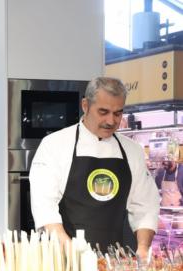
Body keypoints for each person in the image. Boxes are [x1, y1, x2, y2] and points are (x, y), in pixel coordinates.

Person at [29, 76, 160, 259]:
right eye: (103, 112)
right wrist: (71, 253)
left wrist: (143, 248)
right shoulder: (54, 145)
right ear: (85, 105)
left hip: (115, 262)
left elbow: (146, 205)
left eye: (117, 113)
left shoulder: (132, 151)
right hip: (65, 259)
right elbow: (45, 207)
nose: (111, 121)